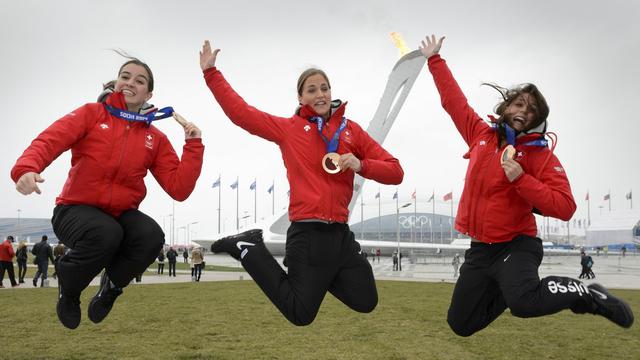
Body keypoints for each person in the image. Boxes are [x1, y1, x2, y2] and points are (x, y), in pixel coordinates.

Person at [420, 34, 634, 335]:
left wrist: (521, 178)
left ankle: (584, 293)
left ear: (537, 119)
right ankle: (511, 291)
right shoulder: (481, 135)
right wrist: (434, 59)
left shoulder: (540, 155)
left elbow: (565, 207)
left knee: (524, 302)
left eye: (532, 110)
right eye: (519, 104)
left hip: (517, 244)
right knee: (461, 323)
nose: (523, 112)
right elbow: (454, 102)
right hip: (480, 249)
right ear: (507, 106)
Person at [201, 39, 404, 326]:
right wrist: (212, 74)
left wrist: (361, 164)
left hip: (341, 237)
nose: (320, 94)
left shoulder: (351, 131)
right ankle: (248, 247)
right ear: (301, 98)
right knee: (300, 314)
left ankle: (320, 276)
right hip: (307, 235)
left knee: (366, 300)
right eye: (312, 90)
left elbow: (396, 172)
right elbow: (241, 114)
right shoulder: (288, 129)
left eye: (324, 88)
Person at [11, 56, 204, 329]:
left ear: (148, 94)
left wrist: (193, 144)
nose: (130, 83)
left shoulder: (154, 138)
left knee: (151, 237)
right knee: (107, 233)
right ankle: (69, 288)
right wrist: (26, 169)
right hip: (75, 209)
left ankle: (110, 287)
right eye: (125, 77)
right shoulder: (91, 114)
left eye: (139, 80)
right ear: (116, 83)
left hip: (120, 214)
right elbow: (49, 140)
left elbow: (179, 189)